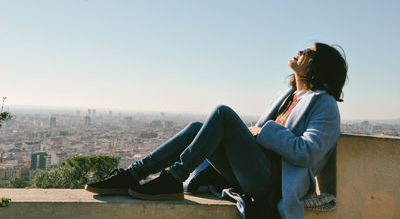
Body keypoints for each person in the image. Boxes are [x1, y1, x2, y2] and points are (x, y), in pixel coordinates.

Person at [85, 42, 348, 219]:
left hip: (274, 183)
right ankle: (132, 175)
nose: (301, 51)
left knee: (222, 113)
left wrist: (263, 131)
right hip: (256, 171)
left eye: (309, 52)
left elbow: (308, 154)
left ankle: (173, 178)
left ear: (319, 67)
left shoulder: (324, 105)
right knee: (197, 128)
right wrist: (258, 134)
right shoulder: (288, 96)